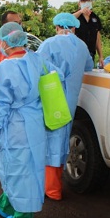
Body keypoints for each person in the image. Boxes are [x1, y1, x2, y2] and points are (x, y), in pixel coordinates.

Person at [0, 22, 52, 218]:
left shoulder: (5, 67)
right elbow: (53, 78)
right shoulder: (36, 59)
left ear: (5, 41)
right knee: (29, 166)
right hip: (34, 121)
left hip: (15, 125)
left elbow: (0, 103)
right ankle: (7, 204)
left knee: (18, 170)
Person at [37, 13, 92, 201]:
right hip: (69, 103)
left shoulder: (48, 44)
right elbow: (89, 66)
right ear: (75, 28)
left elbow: (37, 67)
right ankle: (55, 187)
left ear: (56, 27)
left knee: (49, 142)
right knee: (62, 142)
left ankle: (51, 189)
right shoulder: (82, 46)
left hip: (52, 100)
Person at [0, 10, 23, 179]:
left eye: (19, 23)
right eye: (14, 23)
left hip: (17, 110)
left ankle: (1, 172)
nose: (18, 26)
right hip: (6, 98)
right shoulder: (2, 45)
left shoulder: (28, 58)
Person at [73, 0, 104, 67]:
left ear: (91, 2)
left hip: (90, 53)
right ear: (79, 3)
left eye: (88, 0)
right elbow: (67, 19)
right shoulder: (76, 16)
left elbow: (98, 38)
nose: (86, 2)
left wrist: (101, 56)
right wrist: (80, 11)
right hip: (77, 53)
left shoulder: (95, 18)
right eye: (83, 0)